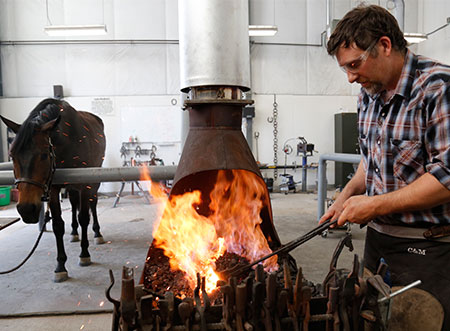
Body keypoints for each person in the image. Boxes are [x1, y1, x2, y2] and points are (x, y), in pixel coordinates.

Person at [321, 4, 450, 330]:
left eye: (355, 64)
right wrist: (347, 194)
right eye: (345, 69)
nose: (351, 77)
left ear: (384, 45)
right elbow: (373, 159)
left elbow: (446, 177)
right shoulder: (370, 92)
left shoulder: (437, 89)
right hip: (378, 244)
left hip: (428, 248)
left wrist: (375, 204)